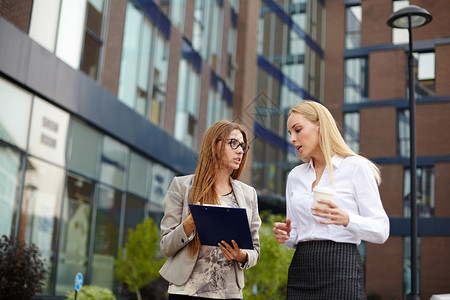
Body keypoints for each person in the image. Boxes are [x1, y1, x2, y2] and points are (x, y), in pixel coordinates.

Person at [273, 100, 389, 300]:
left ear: (319, 126)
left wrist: (347, 219)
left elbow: (381, 230)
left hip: (341, 269)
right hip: (301, 269)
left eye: (298, 130)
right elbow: (296, 236)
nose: (292, 138)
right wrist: (286, 235)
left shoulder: (356, 167)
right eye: (290, 133)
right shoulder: (295, 176)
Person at [159, 120, 261, 300]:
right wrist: (188, 225)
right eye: (233, 143)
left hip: (228, 293)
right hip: (187, 291)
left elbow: (255, 250)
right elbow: (166, 246)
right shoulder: (181, 186)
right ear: (215, 145)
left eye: (243, 146)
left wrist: (242, 255)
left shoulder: (249, 194)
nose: (240, 150)